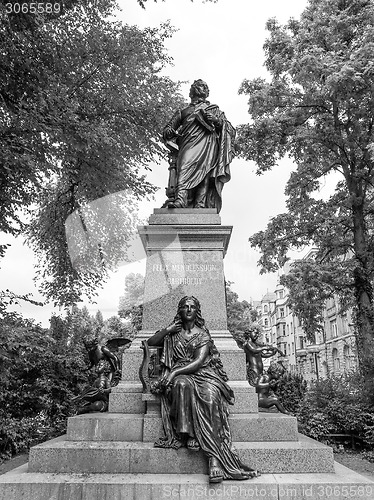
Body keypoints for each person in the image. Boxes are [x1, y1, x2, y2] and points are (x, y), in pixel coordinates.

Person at [148, 296, 259, 483]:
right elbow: (151, 342)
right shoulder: (173, 334)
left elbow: (199, 362)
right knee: (182, 385)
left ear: (197, 311)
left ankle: (214, 459)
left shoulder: (203, 335)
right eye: (185, 307)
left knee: (210, 397)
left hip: (203, 373)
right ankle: (190, 433)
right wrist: (167, 330)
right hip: (182, 376)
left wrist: (174, 372)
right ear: (180, 311)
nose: (189, 310)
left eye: (192, 307)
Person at [162, 79, 235, 212]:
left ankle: (200, 205)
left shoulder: (214, 110)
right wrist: (170, 132)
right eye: (200, 86)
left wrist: (217, 121)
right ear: (191, 92)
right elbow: (167, 129)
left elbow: (230, 130)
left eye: (205, 87)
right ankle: (180, 199)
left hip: (208, 144)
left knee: (204, 172)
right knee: (183, 168)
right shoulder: (183, 111)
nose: (203, 89)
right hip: (188, 144)